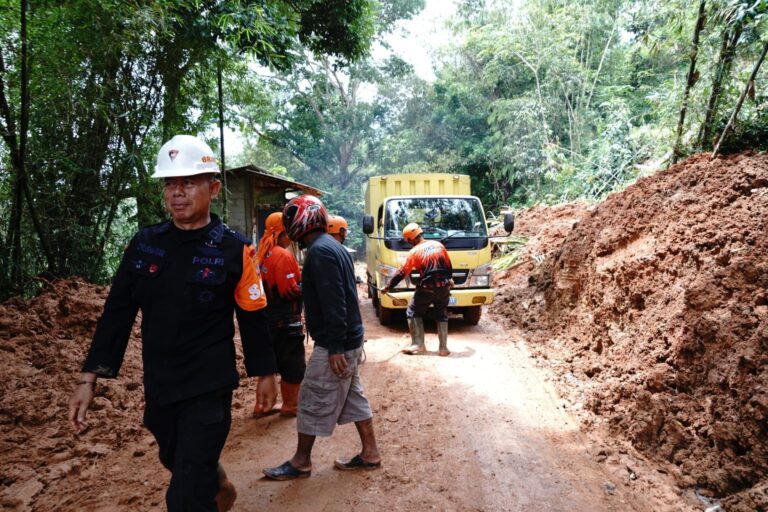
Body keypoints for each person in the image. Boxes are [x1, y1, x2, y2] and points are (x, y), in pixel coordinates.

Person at [67, 135, 278, 512]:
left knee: (184, 497)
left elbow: (252, 314)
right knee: (175, 457)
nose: (177, 193)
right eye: (170, 183)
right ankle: (215, 481)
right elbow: (117, 313)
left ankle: (201, 487)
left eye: (188, 182)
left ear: (212, 188)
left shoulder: (235, 249)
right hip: (161, 383)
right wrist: (89, 378)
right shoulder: (145, 244)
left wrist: (265, 372)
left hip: (209, 386)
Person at [263, 195, 382, 480]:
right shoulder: (332, 247)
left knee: (310, 399)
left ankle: (301, 461)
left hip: (335, 342)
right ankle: (370, 453)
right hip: (348, 339)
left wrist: (335, 347)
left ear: (299, 222)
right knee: (354, 398)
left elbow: (335, 302)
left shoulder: (320, 252)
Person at [253, 211, 305, 417]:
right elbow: (289, 291)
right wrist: (309, 286)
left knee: (270, 364)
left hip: (267, 318)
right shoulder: (281, 254)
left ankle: (262, 406)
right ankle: (291, 405)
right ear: (283, 231)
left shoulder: (261, 253)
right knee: (292, 365)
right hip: (286, 319)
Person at [380, 223, 453, 356]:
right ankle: (443, 348)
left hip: (427, 288)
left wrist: (388, 287)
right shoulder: (439, 245)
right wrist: (449, 279)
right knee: (441, 314)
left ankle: (418, 344)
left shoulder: (414, 252)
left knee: (413, 312)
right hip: (444, 286)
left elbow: (402, 272)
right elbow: (448, 265)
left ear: (411, 239)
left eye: (409, 241)